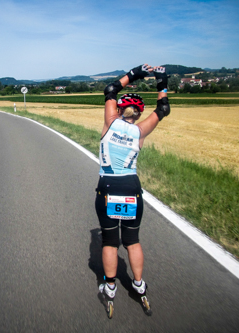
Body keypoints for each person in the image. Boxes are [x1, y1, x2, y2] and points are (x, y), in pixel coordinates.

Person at [95, 64, 170, 318]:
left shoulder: (110, 122)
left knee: (109, 241)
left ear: (119, 109)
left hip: (108, 187)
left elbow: (110, 89)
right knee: (132, 240)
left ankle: (111, 286)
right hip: (131, 187)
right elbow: (163, 109)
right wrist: (162, 80)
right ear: (138, 113)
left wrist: (136, 72)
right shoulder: (140, 130)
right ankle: (138, 284)